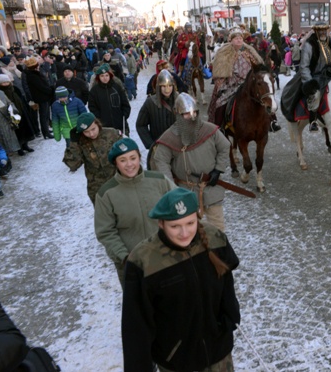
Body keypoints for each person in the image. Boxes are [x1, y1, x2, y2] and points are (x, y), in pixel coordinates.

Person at [122, 188, 240, 372]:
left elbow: (225, 281)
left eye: (190, 223)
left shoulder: (214, 238)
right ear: (161, 224)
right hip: (177, 361)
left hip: (218, 351)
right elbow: (135, 323)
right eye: (175, 226)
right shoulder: (143, 260)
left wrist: (230, 316)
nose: (184, 233)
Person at [94, 138, 175, 285]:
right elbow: (105, 232)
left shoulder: (159, 180)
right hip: (132, 263)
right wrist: (125, 257)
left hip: (166, 257)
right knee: (140, 305)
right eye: (123, 160)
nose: (129, 164)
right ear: (115, 163)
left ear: (139, 157)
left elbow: (179, 207)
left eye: (133, 158)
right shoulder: (106, 193)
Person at [154, 93, 231, 231]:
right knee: (191, 232)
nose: (192, 117)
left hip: (210, 187)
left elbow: (224, 147)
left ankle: (218, 253)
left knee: (218, 230)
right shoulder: (170, 137)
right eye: (187, 114)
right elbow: (161, 160)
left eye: (194, 112)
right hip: (185, 191)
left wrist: (218, 170)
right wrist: (172, 188)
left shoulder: (209, 129)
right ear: (178, 115)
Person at [207, 28, 276, 130]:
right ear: (231, 40)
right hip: (232, 84)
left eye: (240, 38)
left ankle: (272, 121)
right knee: (220, 102)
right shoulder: (224, 52)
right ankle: (218, 127)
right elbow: (220, 69)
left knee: (265, 97)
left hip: (249, 83)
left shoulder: (249, 52)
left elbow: (258, 67)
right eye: (236, 39)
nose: (239, 40)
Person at [63, 112, 121, 204]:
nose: (91, 134)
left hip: (118, 183)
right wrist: (74, 142)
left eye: (93, 129)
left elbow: (128, 154)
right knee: (104, 217)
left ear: (97, 124)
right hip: (97, 188)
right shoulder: (80, 142)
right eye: (86, 131)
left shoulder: (112, 134)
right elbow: (73, 164)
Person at [299, 22, 331, 132]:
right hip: (315, 76)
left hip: (330, 74)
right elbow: (304, 66)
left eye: (324, 30)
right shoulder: (309, 45)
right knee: (316, 94)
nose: (322, 32)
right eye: (320, 30)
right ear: (316, 31)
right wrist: (309, 82)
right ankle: (313, 120)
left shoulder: (329, 42)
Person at [136, 69, 179, 150]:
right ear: (159, 86)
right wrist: (151, 144)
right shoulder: (150, 103)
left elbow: (189, 122)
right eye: (163, 86)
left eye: (170, 86)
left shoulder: (180, 100)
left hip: (178, 146)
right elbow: (140, 125)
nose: (167, 90)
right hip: (159, 147)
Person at [88, 64, 131, 135]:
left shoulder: (117, 87)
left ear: (110, 76)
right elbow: (92, 107)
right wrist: (99, 118)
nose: (104, 78)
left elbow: (125, 103)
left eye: (106, 75)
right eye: (102, 76)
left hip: (120, 125)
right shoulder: (94, 91)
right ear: (98, 77)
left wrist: (124, 115)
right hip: (104, 127)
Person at [0, 73, 35, 155]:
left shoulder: (14, 89)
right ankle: (20, 148)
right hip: (11, 114)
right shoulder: (0, 93)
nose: (6, 84)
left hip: (21, 112)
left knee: (25, 130)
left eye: (7, 82)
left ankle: (26, 145)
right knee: (17, 133)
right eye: (3, 83)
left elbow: (21, 99)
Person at [21, 56, 53, 139]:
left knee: (45, 114)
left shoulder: (34, 74)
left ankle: (46, 130)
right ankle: (45, 132)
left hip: (43, 96)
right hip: (41, 97)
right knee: (43, 115)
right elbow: (41, 86)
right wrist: (51, 90)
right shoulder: (32, 76)